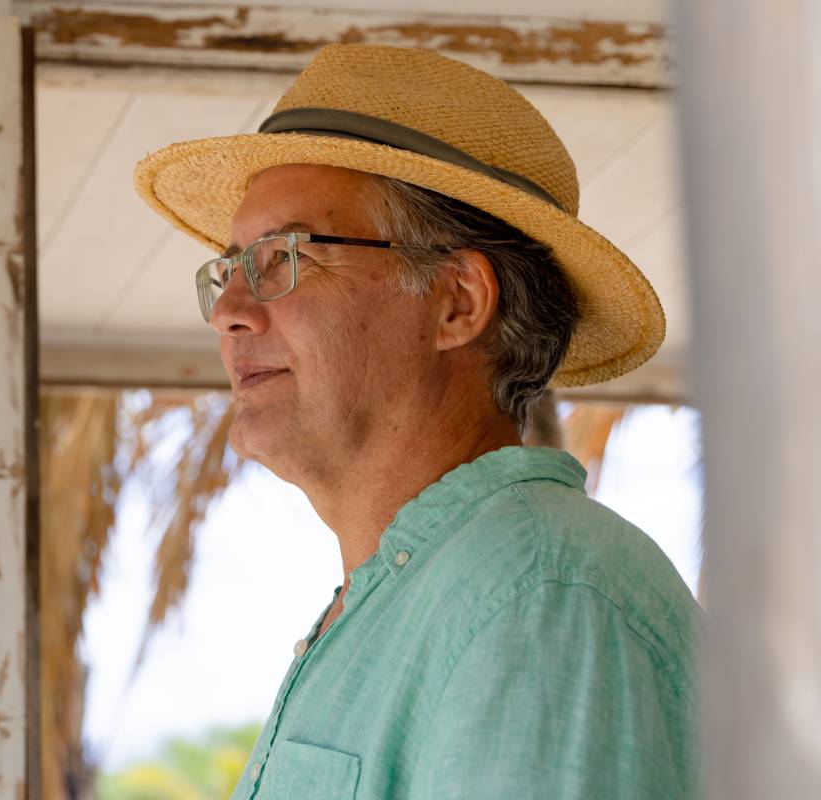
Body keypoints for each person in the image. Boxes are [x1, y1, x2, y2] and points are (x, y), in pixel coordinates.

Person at [133, 44, 700, 798]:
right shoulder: (423, 596)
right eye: (230, 270)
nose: (230, 313)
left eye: (282, 258)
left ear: (457, 302)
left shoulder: (540, 595)